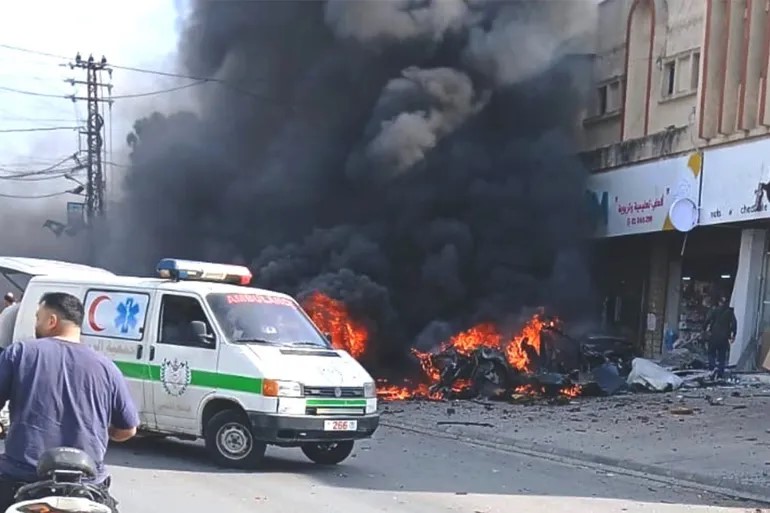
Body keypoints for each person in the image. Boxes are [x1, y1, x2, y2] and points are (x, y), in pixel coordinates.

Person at [0, 292, 140, 512]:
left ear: (51, 321)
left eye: (38, 318)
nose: (36, 324)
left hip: (23, 477)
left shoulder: (20, 353)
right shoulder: (107, 367)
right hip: (87, 485)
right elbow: (128, 429)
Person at [703, 295, 737, 380]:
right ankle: (720, 373)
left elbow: (708, 320)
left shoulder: (715, 310)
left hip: (714, 335)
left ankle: (712, 368)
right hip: (724, 337)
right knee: (722, 356)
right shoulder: (730, 312)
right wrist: (733, 335)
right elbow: (734, 324)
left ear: (719, 303)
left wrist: (704, 329)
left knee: (711, 353)